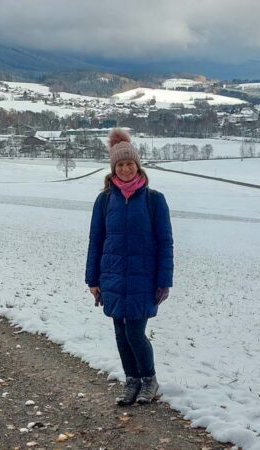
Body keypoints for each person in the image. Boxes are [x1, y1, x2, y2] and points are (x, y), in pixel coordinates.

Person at [85, 128, 174, 405]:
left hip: (143, 279)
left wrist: (164, 280)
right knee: (120, 333)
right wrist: (93, 280)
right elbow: (96, 241)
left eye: (130, 163)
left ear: (138, 166)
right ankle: (131, 380)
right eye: (120, 164)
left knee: (135, 332)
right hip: (111, 277)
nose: (125, 169)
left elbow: (165, 242)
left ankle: (149, 380)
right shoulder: (104, 200)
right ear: (113, 168)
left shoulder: (153, 200)